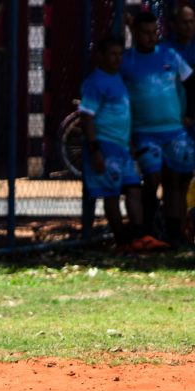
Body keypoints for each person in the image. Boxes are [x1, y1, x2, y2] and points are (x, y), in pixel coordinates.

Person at [120, 10, 195, 249]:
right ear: (135, 33)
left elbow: (192, 84)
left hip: (174, 130)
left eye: (154, 33)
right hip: (144, 132)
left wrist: (189, 115)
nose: (151, 37)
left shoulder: (169, 55)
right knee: (152, 179)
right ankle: (146, 230)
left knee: (175, 179)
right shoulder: (126, 61)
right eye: (145, 33)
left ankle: (176, 232)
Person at [80, 37, 155, 252]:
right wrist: (95, 150)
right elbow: (86, 116)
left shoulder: (119, 79)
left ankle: (140, 237)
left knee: (134, 189)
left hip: (122, 148)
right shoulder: (95, 83)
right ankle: (121, 241)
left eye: (120, 54)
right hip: (105, 146)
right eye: (112, 54)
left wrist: (129, 142)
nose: (117, 59)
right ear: (101, 56)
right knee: (111, 194)